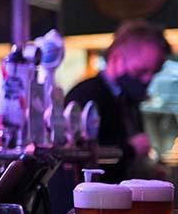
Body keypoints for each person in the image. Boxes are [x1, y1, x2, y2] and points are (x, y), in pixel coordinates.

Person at [65, 20, 171, 183]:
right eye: (140, 71)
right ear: (116, 58)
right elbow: (73, 158)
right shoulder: (87, 94)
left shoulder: (128, 100)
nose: (147, 79)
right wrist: (130, 149)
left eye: (153, 73)